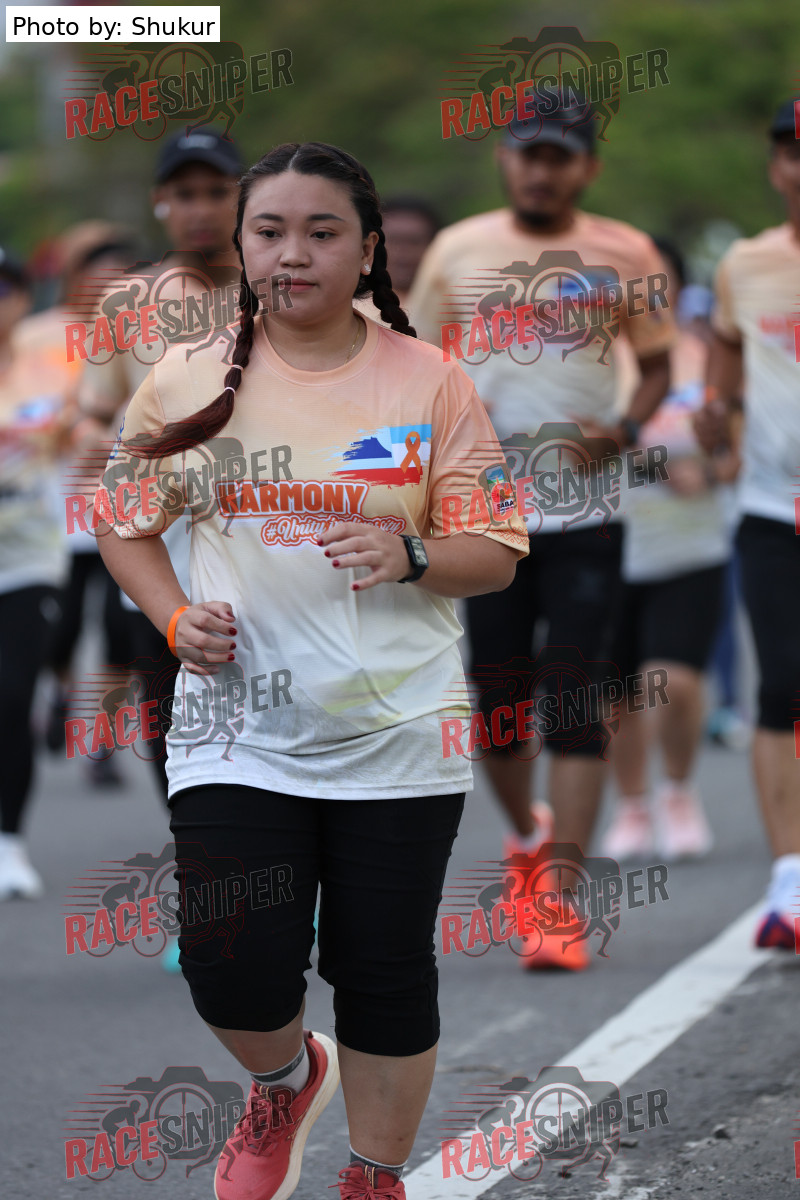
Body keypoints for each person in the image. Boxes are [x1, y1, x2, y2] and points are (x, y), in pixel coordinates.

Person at [94, 141, 527, 1200]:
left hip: (397, 728)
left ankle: (374, 1178)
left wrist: (411, 551)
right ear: (243, 247)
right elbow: (122, 521)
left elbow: (496, 551)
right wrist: (173, 616)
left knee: (382, 967)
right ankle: (286, 1081)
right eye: (270, 231)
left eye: (321, 232)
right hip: (237, 729)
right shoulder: (187, 377)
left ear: (368, 249)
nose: (293, 254)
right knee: (227, 960)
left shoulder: (430, 380)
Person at [409, 95, 676, 969]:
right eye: (528, 153)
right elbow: (415, 361)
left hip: (587, 510)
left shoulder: (626, 253)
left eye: (559, 156)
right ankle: (528, 835)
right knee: (499, 708)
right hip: (484, 516)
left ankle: (558, 900)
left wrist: (625, 429)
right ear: (504, 158)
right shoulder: (458, 251)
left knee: (574, 696)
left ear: (587, 167)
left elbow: (659, 362)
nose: (540, 171)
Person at [75, 129, 243, 800]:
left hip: (260, 526)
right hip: (158, 538)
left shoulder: (280, 290)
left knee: (265, 695)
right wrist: (106, 440)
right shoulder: (125, 302)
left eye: (216, 192)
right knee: (167, 711)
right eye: (184, 193)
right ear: (160, 202)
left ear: (243, 198)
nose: (200, 208)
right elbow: (94, 410)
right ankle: (195, 839)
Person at [695, 97, 800, 949]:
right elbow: (725, 367)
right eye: (794, 151)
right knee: (783, 686)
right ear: (777, 167)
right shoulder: (746, 264)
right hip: (773, 509)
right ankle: (790, 881)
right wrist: (718, 426)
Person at [602, 238, 738, 862]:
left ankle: (678, 791)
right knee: (616, 692)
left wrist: (708, 471)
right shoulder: (593, 359)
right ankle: (632, 804)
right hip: (606, 545)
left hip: (691, 549)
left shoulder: (706, 356)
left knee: (676, 681)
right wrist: (655, 464)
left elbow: (738, 444)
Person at [36, 222, 139, 785]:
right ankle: (60, 689)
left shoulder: (152, 336)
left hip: (130, 509)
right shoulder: (43, 338)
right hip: (65, 510)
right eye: (97, 280)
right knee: (66, 624)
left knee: (120, 630)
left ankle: (103, 737)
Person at [0, 252, 72, 897]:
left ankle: (9, 844)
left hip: (28, 556)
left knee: (11, 694)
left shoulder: (53, 366)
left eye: (5, 288)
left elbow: (94, 425)